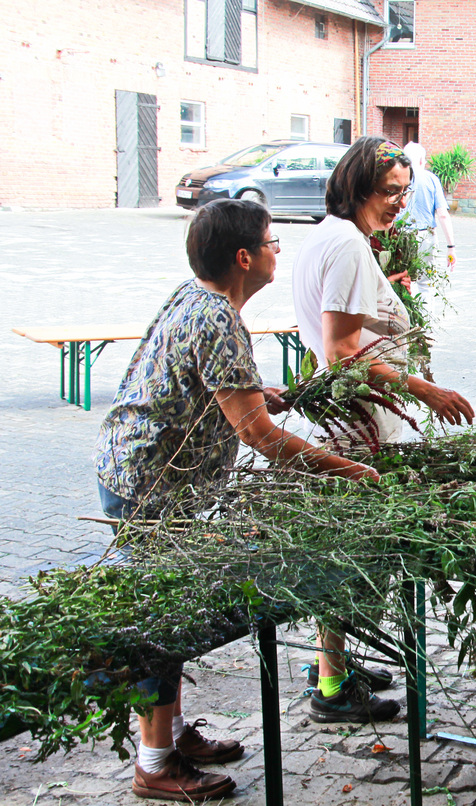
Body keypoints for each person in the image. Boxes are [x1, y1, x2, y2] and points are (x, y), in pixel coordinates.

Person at [95, 198, 379, 801]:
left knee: (170, 608)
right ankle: (154, 764)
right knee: (161, 618)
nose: (278, 252)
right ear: (244, 257)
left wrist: (254, 391)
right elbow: (258, 436)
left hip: (140, 476)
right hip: (151, 491)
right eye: (273, 242)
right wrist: (347, 470)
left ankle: (173, 736)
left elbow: (208, 387)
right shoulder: (218, 319)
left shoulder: (197, 299)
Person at [292, 136, 475, 721]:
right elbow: (341, 351)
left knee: (345, 546)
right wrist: (426, 390)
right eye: (388, 191)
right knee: (348, 553)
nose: (399, 201)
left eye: (405, 191)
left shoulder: (332, 235)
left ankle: (334, 662)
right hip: (359, 425)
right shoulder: (348, 244)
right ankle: (331, 687)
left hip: (354, 418)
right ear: (356, 187)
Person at [393, 141, 456, 308]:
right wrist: (451, 246)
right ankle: (425, 321)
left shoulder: (396, 177)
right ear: (422, 160)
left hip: (399, 235)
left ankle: (404, 317)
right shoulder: (431, 179)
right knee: (426, 284)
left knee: (400, 280)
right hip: (425, 236)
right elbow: (443, 214)